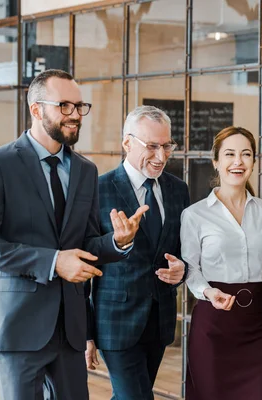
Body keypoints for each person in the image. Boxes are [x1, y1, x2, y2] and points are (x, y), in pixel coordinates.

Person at [0, 69, 146, 400]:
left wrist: (118, 241)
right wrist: (53, 262)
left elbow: (86, 244)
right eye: (64, 106)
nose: (75, 115)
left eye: (80, 106)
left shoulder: (85, 170)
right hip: (18, 327)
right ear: (36, 109)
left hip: (70, 330)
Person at [181, 126, 262, 400]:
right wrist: (208, 292)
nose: (238, 162)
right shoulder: (194, 215)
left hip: (253, 326)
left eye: (246, 154)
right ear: (216, 161)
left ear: (254, 161)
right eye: (229, 154)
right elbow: (190, 269)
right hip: (212, 326)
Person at [84, 106, 190, 399]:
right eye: (152, 146)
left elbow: (184, 251)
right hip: (114, 322)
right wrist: (86, 333)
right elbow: (85, 258)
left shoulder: (178, 189)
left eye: (167, 146)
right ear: (127, 143)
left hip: (159, 321)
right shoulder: (97, 189)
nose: (161, 156)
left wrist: (183, 269)